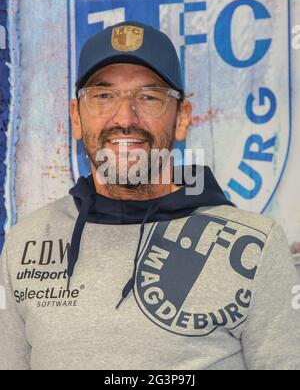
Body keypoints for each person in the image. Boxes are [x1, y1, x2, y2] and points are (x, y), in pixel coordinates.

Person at [0, 21, 299, 371]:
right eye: (103, 96)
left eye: (149, 97)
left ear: (182, 118)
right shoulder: (26, 241)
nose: (125, 117)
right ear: (76, 118)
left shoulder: (255, 245)